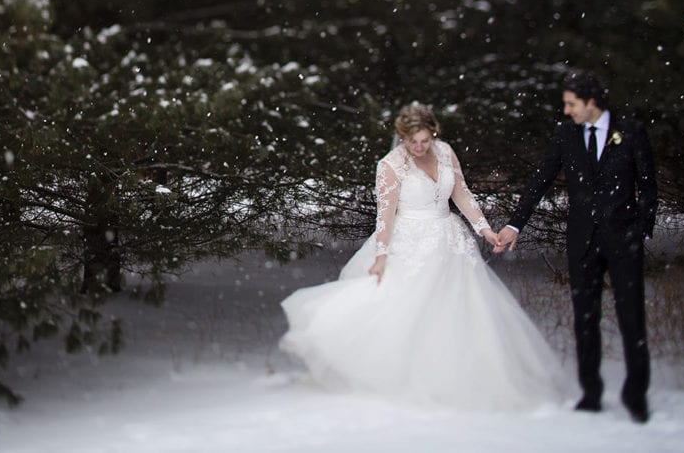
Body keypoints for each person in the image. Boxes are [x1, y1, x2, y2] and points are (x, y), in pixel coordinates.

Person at [280, 103, 566, 411]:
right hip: (410, 241)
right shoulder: (390, 164)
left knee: (459, 309)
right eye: (411, 141)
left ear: (434, 133)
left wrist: (485, 230)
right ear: (402, 137)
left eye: (424, 140)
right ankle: (404, 377)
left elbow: (461, 193)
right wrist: (381, 255)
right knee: (407, 309)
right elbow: (385, 216)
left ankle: (459, 377)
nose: (418, 147)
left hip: (450, 242)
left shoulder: (445, 151)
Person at [494, 71, 658, 423]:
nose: (566, 111)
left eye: (571, 104)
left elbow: (648, 183)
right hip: (582, 240)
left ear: (591, 103)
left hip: (623, 239)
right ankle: (591, 392)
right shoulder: (565, 133)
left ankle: (635, 396)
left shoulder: (629, 131)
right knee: (586, 318)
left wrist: (640, 229)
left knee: (632, 318)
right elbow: (542, 178)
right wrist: (514, 223)